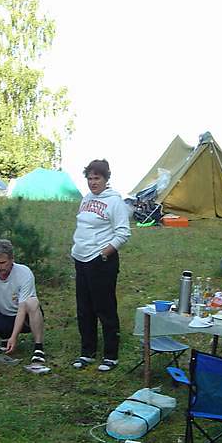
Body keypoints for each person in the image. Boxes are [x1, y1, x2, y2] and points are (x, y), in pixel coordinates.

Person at [71, 159, 131, 372]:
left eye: (97, 178)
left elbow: (123, 232)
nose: (92, 182)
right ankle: (87, 352)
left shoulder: (115, 202)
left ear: (106, 179)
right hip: (81, 259)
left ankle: (110, 355)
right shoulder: (86, 199)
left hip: (101, 262)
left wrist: (104, 253)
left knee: (105, 309)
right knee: (84, 309)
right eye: (89, 178)